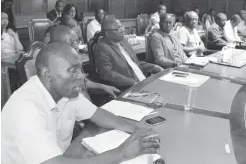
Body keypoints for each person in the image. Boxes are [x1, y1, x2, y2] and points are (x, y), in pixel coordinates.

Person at [1, 42, 160, 164]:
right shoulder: (25, 109)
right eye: (73, 70)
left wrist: (137, 128)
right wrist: (122, 153)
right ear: (47, 73)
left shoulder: (66, 93)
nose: (82, 77)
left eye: (81, 70)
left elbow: (99, 115)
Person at [49, 25, 120, 98]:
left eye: (77, 42)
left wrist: (103, 86)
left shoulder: (72, 59)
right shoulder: (57, 73)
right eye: (73, 42)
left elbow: (84, 81)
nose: (77, 46)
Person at [95, 18, 163, 90]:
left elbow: (133, 64)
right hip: (127, 88)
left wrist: (153, 67)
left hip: (142, 81)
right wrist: (132, 83)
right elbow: (107, 73)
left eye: (122, 27)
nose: (123, 30)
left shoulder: (123, 40)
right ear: (107, 33)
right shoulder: (102, 47)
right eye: (119, 28)